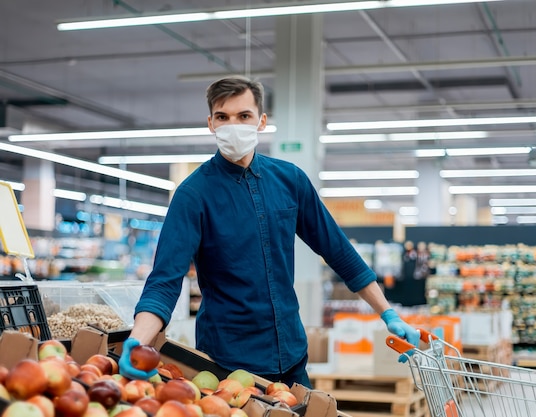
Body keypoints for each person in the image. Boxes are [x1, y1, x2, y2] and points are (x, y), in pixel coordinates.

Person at [118, 75, 419, 387]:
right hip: (228, 364)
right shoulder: (193, 195)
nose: (233, 125)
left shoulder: (290, 181)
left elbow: (338, 251)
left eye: (244, 116)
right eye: (223, 117)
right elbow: (164, 282)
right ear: (210, 123)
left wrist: (388, 314)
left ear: (261, 121)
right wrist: (137, 341)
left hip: (292, 356)